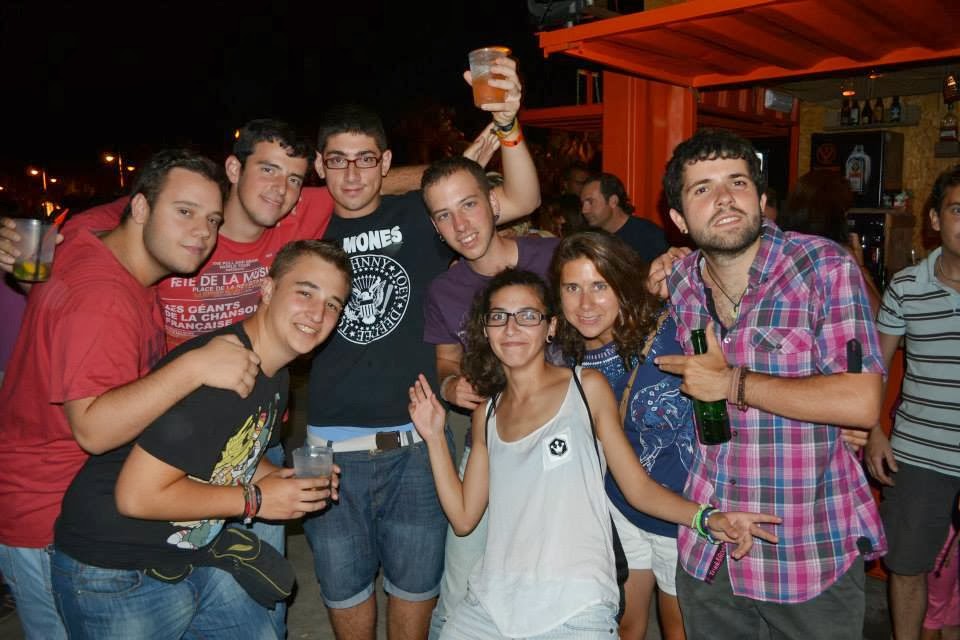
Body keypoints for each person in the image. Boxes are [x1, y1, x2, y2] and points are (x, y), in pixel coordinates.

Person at [303, 54, 541, 640]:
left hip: (415, 446)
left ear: (385, 162)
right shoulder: (301, 227)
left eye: (366, 159)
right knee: (344, 596)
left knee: (416, 597)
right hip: (325, 452)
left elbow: (520, 199)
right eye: (337, 160)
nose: (352, 175)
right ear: (319, 165)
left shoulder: (422, 218)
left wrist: (508, 125)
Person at [407, 268, 779, 640]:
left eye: (528, 315)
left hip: (576, 605)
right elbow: (463, 518)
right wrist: (435, 436)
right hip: (490, 604)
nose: (512, 328)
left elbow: (637, 489)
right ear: (486, 330)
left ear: (551, 326)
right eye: (499, 317)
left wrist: (707, 518)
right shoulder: (486, 414)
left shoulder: (585, 388)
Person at [0, 150, 262, 639]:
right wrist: (195, 366)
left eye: (212, 219)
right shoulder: (103, 299)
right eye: (184, 212)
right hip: (48, 517)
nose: (202, 233)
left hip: (84, 501)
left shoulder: (92, 235)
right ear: (140, 208)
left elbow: (113, 205)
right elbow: (94, 430)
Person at [49, 240, 350, 639]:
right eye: (306, 292)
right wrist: (257, 501)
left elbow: (233, 452)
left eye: (332, 304)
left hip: (191, 553)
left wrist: (284, 480)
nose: (318, 313)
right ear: (268, 289)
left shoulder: (274, 373)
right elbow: (136, 496)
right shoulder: (222, 376)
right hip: (117, 569)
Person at [655, 128, 887, 639]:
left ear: (761, 200)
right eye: (702, 188)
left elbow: (861, 401)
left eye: (737, 182)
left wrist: (732, 384)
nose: (723, 198)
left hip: (806, 552)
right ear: (679, 220)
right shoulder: (680, 282)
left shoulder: (823, 268)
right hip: (712, 552)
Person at [420, 154, 552, 637]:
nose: (460, 225)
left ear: (494, 203)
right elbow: (446, 361)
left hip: (563, 446)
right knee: (461, 583)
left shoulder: (552, 256)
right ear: (436, 227)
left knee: (550, 582)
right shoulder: (444, 289)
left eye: (468, 205)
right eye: (444, 215)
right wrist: (451, 384)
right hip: (488, 444)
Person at [551, 230, 693, 640]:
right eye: (572, 288)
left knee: (678, 629)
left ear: (622, 283)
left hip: (682, 510)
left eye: (599, 286)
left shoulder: (671, 327)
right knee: (626, 624)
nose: (585, 303)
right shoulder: (562, 356)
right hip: (620, 509)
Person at [865, 165, 960, 640]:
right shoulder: (905, 287)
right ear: (935, 219)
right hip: (920, 456)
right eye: (958, 209)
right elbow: (875, 370)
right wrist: (874, 433)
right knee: (906, 567)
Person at [778, 169, 881, 313]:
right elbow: (879, 316)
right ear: (836, 214)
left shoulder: (779, 245)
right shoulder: (837, 255)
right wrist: (859, 265)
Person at [579, 172, 668, 262]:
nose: (584, 210)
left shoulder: (650, 237)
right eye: (583, 203)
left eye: (590, 202)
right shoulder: (588, 238)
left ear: (613, 201)